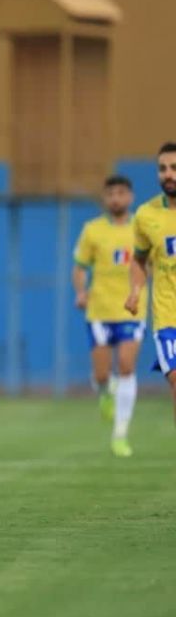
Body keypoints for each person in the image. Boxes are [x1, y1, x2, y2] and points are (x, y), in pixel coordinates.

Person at [74, 175, 144, 457]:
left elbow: (153, 263)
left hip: (132, 309)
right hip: (100, 310)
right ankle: (104, 391)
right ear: (104, 198)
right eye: (111, 194)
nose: (116, 198)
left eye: (121, 193)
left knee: (126, 366)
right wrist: (81, 291)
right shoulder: (92, 230)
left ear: (130, 197)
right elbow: (80, 267)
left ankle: (120, 434)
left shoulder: (142, 229)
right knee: (102, 374)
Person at [126, 143, 176, 428]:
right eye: (163, 168)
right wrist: (135, 291)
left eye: (174, 168)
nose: (168, 174)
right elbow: (139, 260)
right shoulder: (146, 215)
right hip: (168, 315)